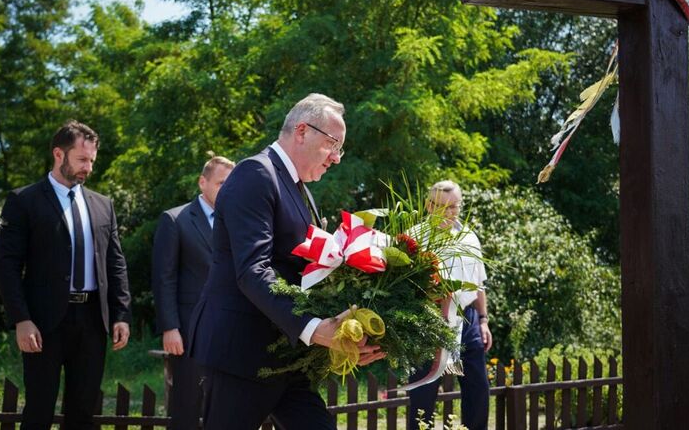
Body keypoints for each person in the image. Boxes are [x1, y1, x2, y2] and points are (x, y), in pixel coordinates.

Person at [188, 93, 385, 429]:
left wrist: (343, 333)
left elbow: (301, 274)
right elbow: (253, 270)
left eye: (341, 149)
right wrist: (314, 328)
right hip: (242, 354)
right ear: (302, 131)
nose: (337, 158)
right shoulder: (256, 174)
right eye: (333, 144)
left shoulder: (298, 187)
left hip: (286, 356)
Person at [0, 120, 132, 430]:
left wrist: (121, 313)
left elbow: (115, 262)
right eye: (82, 159)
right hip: (43, 322)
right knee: (39, 408)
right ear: (59, 154)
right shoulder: (23, 201)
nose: (88, 168)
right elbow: (7, 265)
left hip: (92, 320)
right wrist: (21, 319)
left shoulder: (102, 205)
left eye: (92, 161)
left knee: (84, 410)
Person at [152, 155, 234, 429]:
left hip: (231, 331)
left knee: (226, 408)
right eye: (222, 183)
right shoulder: (175, 220)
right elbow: (164, 279)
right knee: (187, 408)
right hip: (188, 332)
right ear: (203, 182)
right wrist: (170, 327)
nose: (227, 189)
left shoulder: (237, 222)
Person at [407, 180, 492, 430]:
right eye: (442, 207)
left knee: (478, 390)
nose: (449, 213)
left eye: (454, 207)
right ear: (428, 206)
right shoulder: (413, 238)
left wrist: (485, 321)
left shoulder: (468, 237)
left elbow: (479, 284)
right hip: (429, 322)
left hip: (468, 321)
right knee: (423, 395)